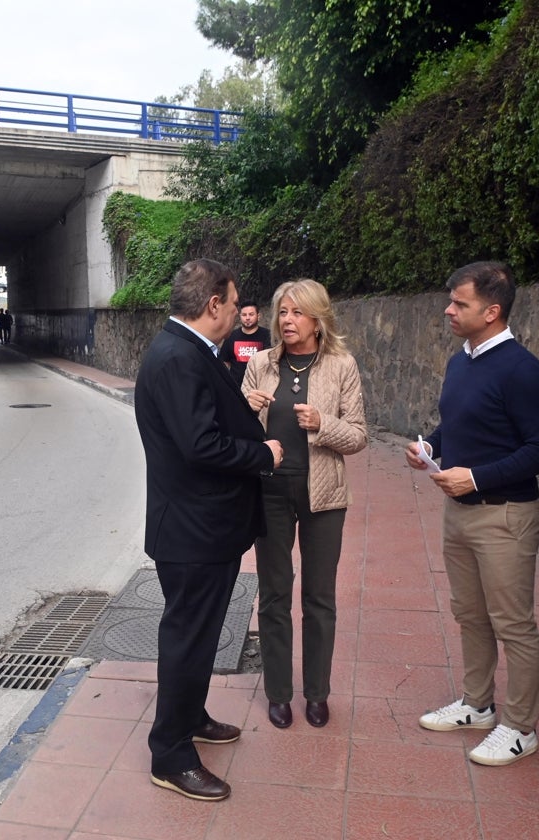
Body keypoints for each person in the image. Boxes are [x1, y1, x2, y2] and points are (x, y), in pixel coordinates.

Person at [134, 258, 283, 802]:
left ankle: (190, 715)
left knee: (197, 638)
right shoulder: (178, 357)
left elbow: (198, 424)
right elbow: (200, 445)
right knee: (188, 640)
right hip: (193, 531)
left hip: (203, 527)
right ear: (214, 304)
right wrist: (260, 454)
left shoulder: (188, 352)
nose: (238, 308)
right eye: (233, 299)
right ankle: (170, 755)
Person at [406, 261, 539, 767]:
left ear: (492, 311)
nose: (448, 310)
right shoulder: (462, 361)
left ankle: (520, 727)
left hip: (506, 515)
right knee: (470, 614)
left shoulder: (522, 369)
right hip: (461, 514)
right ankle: (478, 705)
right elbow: (459, 424)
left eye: (460, 304)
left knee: (513, 624)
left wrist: (477, 477)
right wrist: (432, 443)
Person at [242, 279, 367, 729]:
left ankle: (317, 693)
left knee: (319, 597)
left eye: (296, 312)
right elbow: (238, 432)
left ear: (317, 319)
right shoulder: (259, 364)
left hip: (324, 497)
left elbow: (358, 436)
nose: (287, 320)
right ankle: (278, 692)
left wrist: (322, 423)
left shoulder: (341, 365)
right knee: (274, 595)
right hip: (270, 492)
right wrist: (245, 406)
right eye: (283, 312)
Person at [219, 300, 272, 386]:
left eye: (251, 314)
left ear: (258, 316)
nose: (247, 318)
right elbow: (225, 362)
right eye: (244, 315)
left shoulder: (268, 336)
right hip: (236, 389)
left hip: (260, 387)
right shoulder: (231, 336)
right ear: (240, 317)